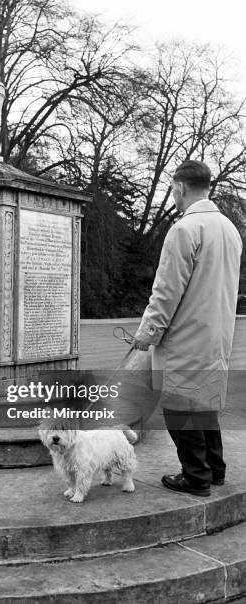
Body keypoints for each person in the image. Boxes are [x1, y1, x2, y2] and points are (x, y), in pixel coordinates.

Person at [132, 160, 243, 497]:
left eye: (173, 189)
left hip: (186, 336)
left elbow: (166, 291)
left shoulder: (184, 230)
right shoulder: (229, 229)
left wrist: (147, 333)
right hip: (218, 335)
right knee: (204, 402)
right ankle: (215, 469)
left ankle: (196, 476)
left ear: (179, 186)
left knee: (178, 406)